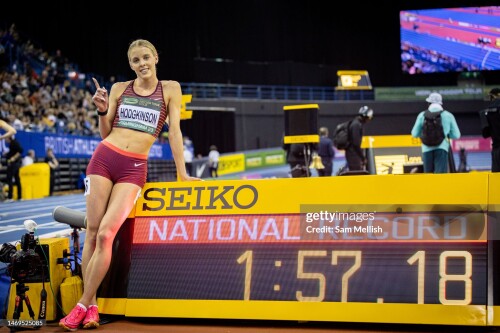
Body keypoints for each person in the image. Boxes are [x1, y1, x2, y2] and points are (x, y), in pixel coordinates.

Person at [59, 39, 200, 331]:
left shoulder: (171, 89)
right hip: (103, 159)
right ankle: (92, 304)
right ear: (131, 64)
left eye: (146, 57)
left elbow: (175, 132)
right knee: (94, 232)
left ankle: (82, 304)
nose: (142, 63)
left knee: (108, 233)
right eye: (135, 60)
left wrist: (182, 173)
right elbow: (105, 131)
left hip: (134, 167)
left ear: (155, 57)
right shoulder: (119, 88)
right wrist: (101, 111)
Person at [411, 92, 461, 173]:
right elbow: (456, 135)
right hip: (442, 148)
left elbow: (414, 133)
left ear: (429, 103)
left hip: (426, 148)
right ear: (440, 103)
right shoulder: (448, 115)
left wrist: (425, 134)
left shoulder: (422, 115)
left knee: (429, 176)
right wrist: (446, 134)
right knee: (440, 176)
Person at [345, 106, 373, 171]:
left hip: (353, 154)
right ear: (365, 116)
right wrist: (362, 157)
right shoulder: (356, 125)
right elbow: (356, 143)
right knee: (356, 173)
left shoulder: (357, 123)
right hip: (353, 155)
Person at [479, 88, 500, 172]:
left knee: (495, 180)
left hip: (496, 149)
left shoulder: (486, 112)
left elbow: (485, 134)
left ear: (492, 96)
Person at [4, 136, 23, 202]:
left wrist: (14, 158)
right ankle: (20, 196)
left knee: (9, 178)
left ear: (9, 138)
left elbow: (20, 150)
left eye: (6, 138)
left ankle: (10, 197)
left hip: (14, 164)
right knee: (17, 179)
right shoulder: (12, 144)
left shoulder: (14, 142)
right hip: (15, 164)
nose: (5, 139)